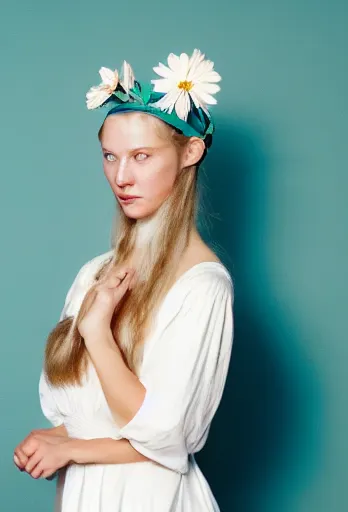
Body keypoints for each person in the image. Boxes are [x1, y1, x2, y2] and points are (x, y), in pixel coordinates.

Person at [13, 48, 234, 511]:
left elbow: (164, 438)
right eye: (110, 156)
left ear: (189, 152)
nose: (121, 176)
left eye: (141, 156)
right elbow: (83, 416)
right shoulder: (94, 273)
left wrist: (97, 333)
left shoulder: (202, 286)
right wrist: (55, 439)